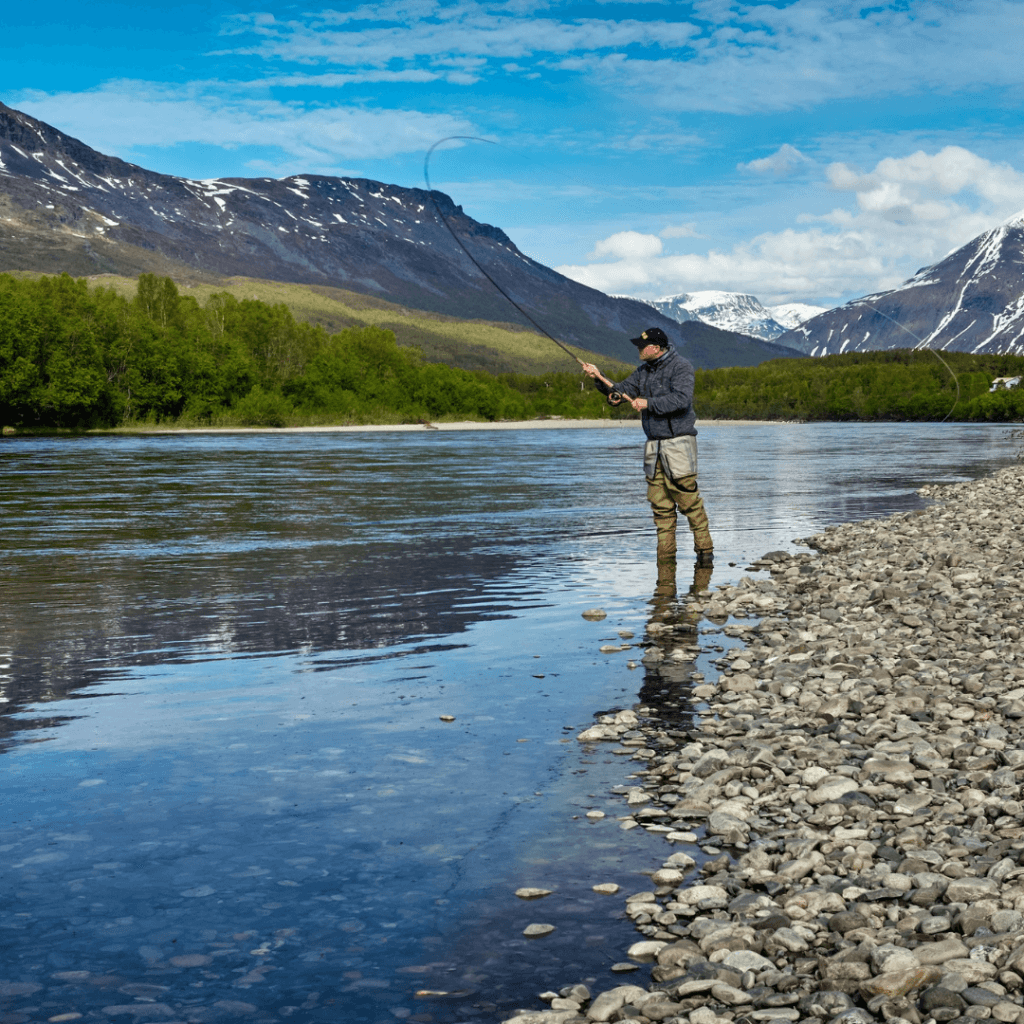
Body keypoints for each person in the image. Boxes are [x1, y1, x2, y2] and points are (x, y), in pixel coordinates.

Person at [581, 327, 713, 567]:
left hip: (678, 444)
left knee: (689, 502)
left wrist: (648, 403)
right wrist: (599, 379)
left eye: (643, 346)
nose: (639, 349)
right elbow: (620, 391)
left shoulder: (681, 367)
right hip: (653, 447)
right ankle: (666, 563)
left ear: (657, 347)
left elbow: (681, 400)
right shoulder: (643, 371)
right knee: (660, 508)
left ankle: (705, 556)